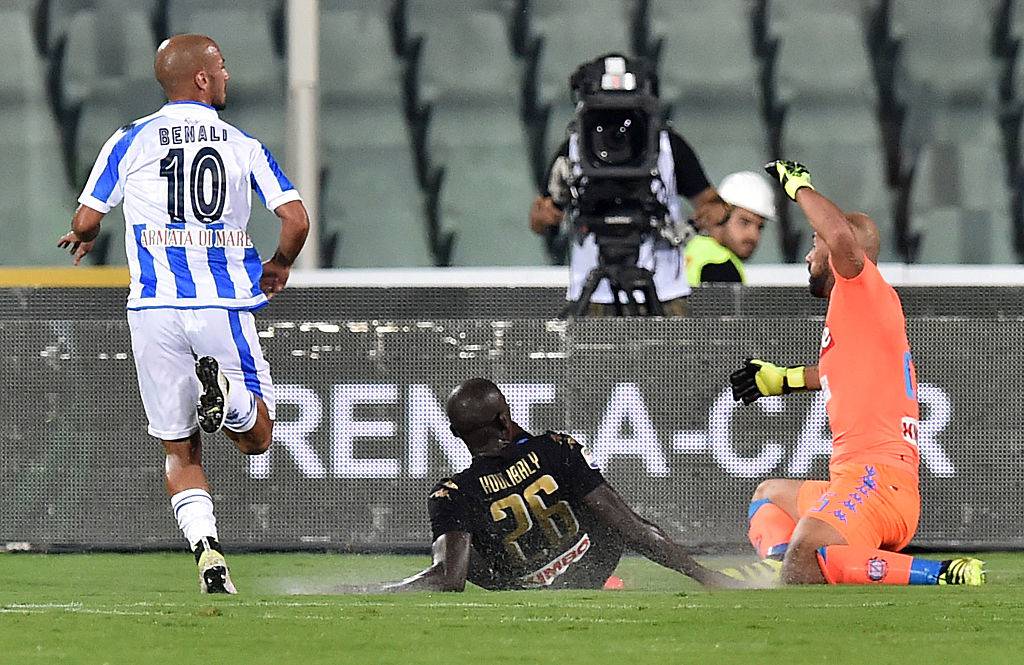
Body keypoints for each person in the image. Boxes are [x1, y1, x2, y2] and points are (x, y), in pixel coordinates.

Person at [56, 34, 309, 593]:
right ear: (200, 79)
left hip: (152, 310)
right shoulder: (242, 145)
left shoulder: (130, 139)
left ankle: (209, 557)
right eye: (219, 66)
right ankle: (232, 400)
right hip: (220, 302)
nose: (225, 75)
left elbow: (85, 218)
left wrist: (84, 236)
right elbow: (295, 219)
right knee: (258, 436)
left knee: (178, 444)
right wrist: (280, 264)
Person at [727, 160, 983, 586]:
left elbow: (841, 235)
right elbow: (834, 374)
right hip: (856, 480)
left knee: (806, 555)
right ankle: (776, 565)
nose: (810, 254)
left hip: (876, 481)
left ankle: (939, 573)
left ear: (834, 250)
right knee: (770, 497)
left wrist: (800, 188)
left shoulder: (863, 287)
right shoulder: (857, 313)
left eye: (815, 243)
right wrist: (781, 380)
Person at [384, 378, 737, 591]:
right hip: (585, 572)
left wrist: (384, 589)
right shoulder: (556, 449)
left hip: (520, 588)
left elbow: (450, 578)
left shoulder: (452, 493)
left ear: (455, 434)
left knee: (459, 544)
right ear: (505, 417)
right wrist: (706, 577)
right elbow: (634, 529)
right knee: (608, 512)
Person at [529, 55, 728, 316]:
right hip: (595, 296)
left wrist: (692, 225)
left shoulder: (668, 146)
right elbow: (540, 221)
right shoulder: (576, 148)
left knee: (671, 357)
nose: (616, 132)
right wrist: (550, 208)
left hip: (662, 290)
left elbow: (715, 206)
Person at [685, 171, 776, 285]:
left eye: (760, 227)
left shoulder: (692, 248)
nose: (754, 235)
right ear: (721, 215)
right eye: (744, 222)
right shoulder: (721, 266)